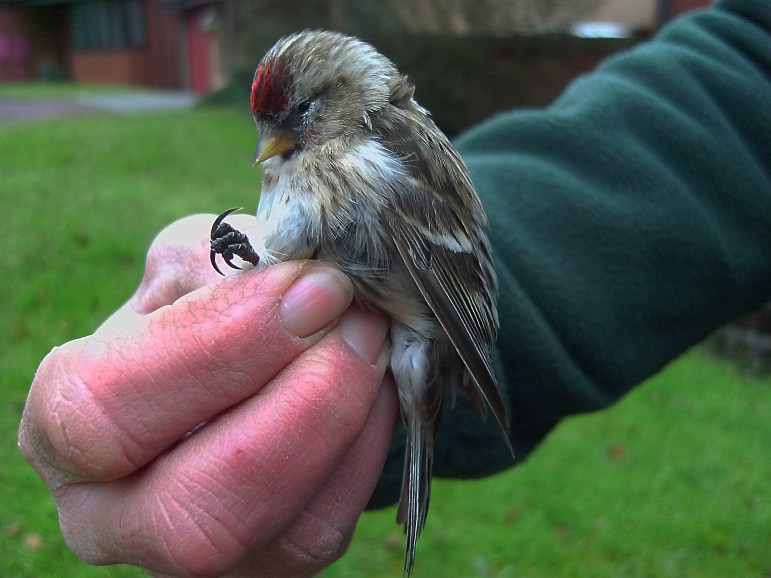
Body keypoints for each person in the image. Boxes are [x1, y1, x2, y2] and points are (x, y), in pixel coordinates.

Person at [18, 1, 771, 576]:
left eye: (295, 119)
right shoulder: (313, 155)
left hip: (423, 329)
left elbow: (449, 277)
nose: (272, 147)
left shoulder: (384, 150)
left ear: (343, 96)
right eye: (267, 129)